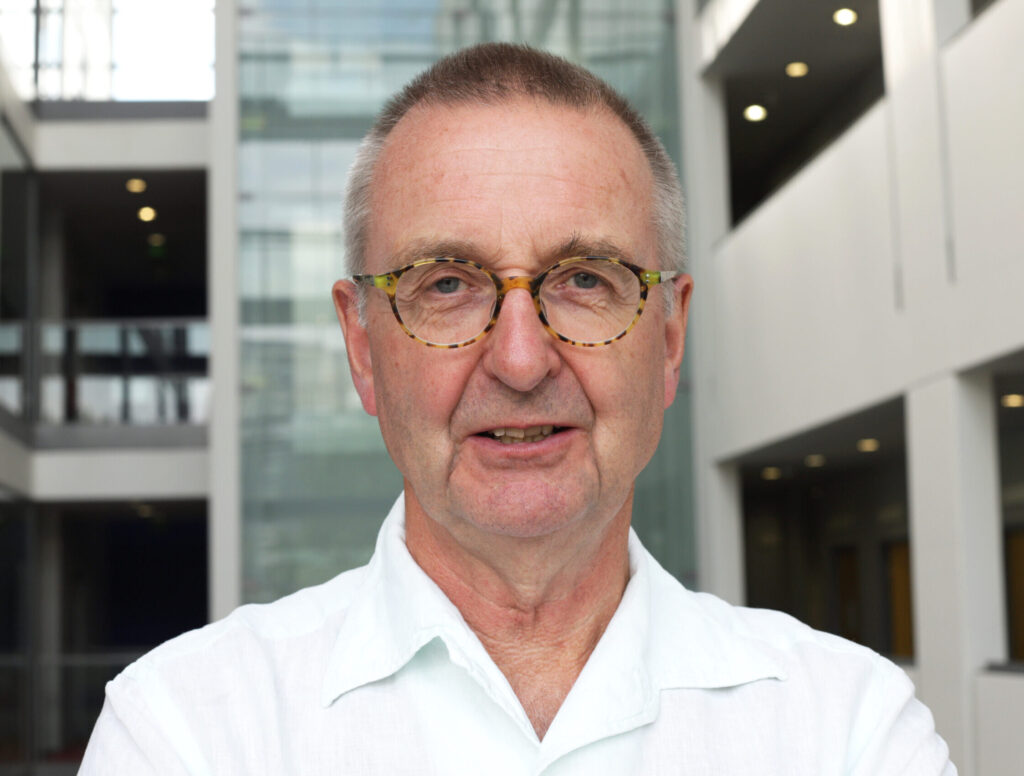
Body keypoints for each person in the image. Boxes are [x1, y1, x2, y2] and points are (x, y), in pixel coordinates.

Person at [79, 43, 955, 774]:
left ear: (671, 336)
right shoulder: (186, 731)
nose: (523, 358)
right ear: (362, 347)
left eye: (584, 280)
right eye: (448, 284)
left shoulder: (849, 729)